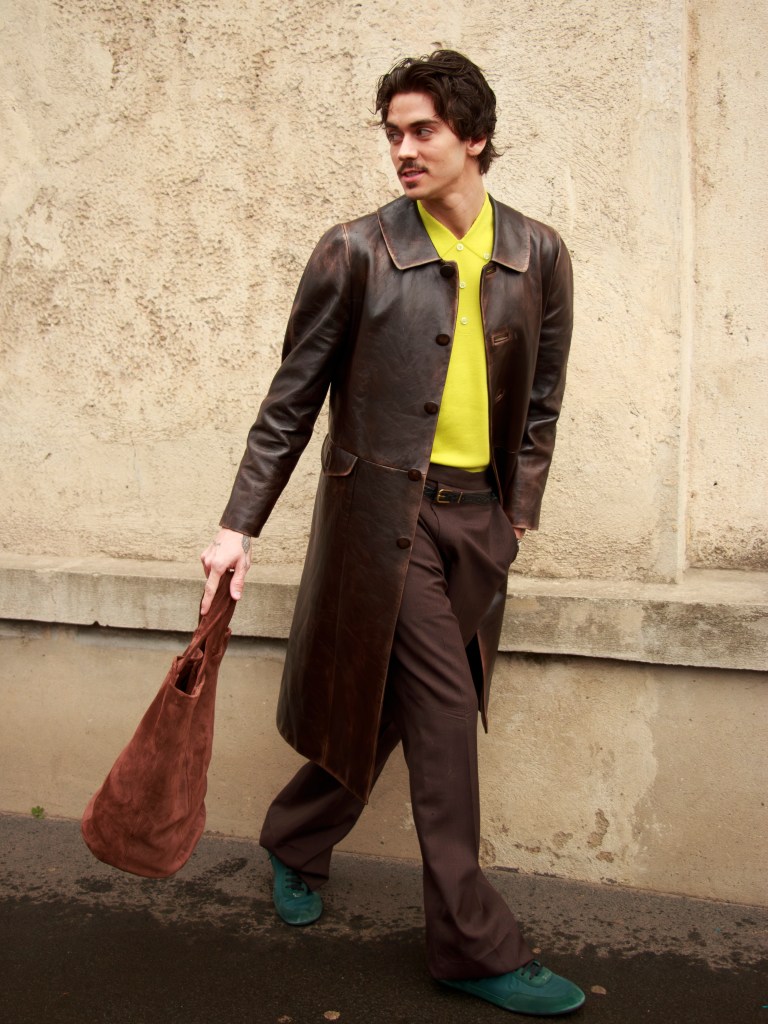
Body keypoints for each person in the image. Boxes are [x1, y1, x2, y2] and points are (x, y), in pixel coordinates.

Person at [201, 49, 583, 1017]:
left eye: (423, 130)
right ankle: (473, 945)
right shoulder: (355, 251)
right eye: (393, 133)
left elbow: (542, 397)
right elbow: (290, 402)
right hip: (384, 524)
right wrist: (237, 526)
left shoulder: (537, 253)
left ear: (474, 137)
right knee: (446, 718)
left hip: (479, 522)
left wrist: (518, 510)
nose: (403, 149)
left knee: (389, 708)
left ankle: (295, 837)